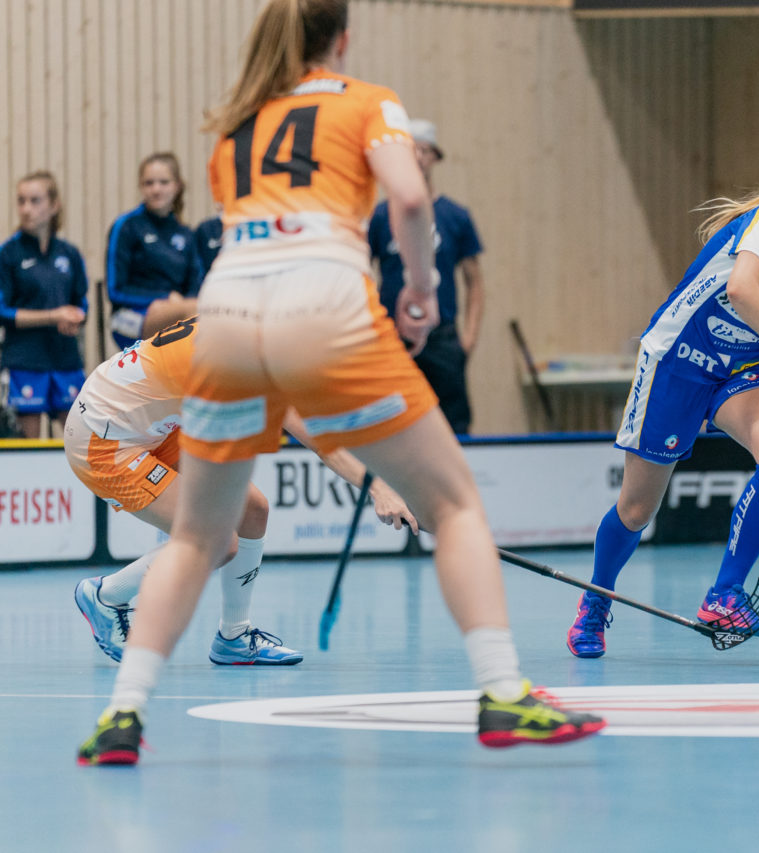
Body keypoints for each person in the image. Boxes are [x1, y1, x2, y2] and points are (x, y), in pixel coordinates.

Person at [77, 0, 603, 766]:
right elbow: (412, 200)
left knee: (197, 535)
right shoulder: (367, 102)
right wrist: (421, 292)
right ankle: (503, 693)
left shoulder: (238, 122)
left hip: (226, 309)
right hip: (320, 299)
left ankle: (121, 717)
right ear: (343, 38)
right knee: (454, 502)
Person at [566, 140, 759, 658]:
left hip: (742, 370)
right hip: (678, 360)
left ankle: (724, 595)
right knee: (637, 508)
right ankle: (596, 603)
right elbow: (741, 289)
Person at [67, 315, 420, 665]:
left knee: (253, 511)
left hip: (154, 424)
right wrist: (377, 488)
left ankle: (234, 636)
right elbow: (320, 438)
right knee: (216, 542)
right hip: (101, 441)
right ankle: (106, 596)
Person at [368, 119, 484, 434]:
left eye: (423, 150)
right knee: (391, 421)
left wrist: (469, 337)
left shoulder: (455, 217)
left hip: (443, 335)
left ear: (435, 156)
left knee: (453, 422)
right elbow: (362, 269)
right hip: (394, 337)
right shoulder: (381, 216)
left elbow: (474, 281)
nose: (417, 157)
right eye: (411, 150)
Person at [0, 171, 89, 438]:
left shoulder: (69, 253)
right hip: (25, 359)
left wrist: (75, 317)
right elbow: (3, 311)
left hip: (65, 357)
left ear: (53, 205)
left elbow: (81, 302)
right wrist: (52, 315)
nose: (27, 209)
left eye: (35, 200)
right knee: (29, 442)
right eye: (21, 201)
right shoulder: (8, 253)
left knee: (78, 437)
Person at [104, 153, 203, 351]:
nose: (156, 190)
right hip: (130, 315)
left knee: (206, 310)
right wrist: (164, 298)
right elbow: (115, 290)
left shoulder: (185, 234)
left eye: (163, 182)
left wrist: (176, 304)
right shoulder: (127, 226)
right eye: (149, 183)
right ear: (141, 187)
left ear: (177, 186)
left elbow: (196, 286)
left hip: (179, 310)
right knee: (192, 310)